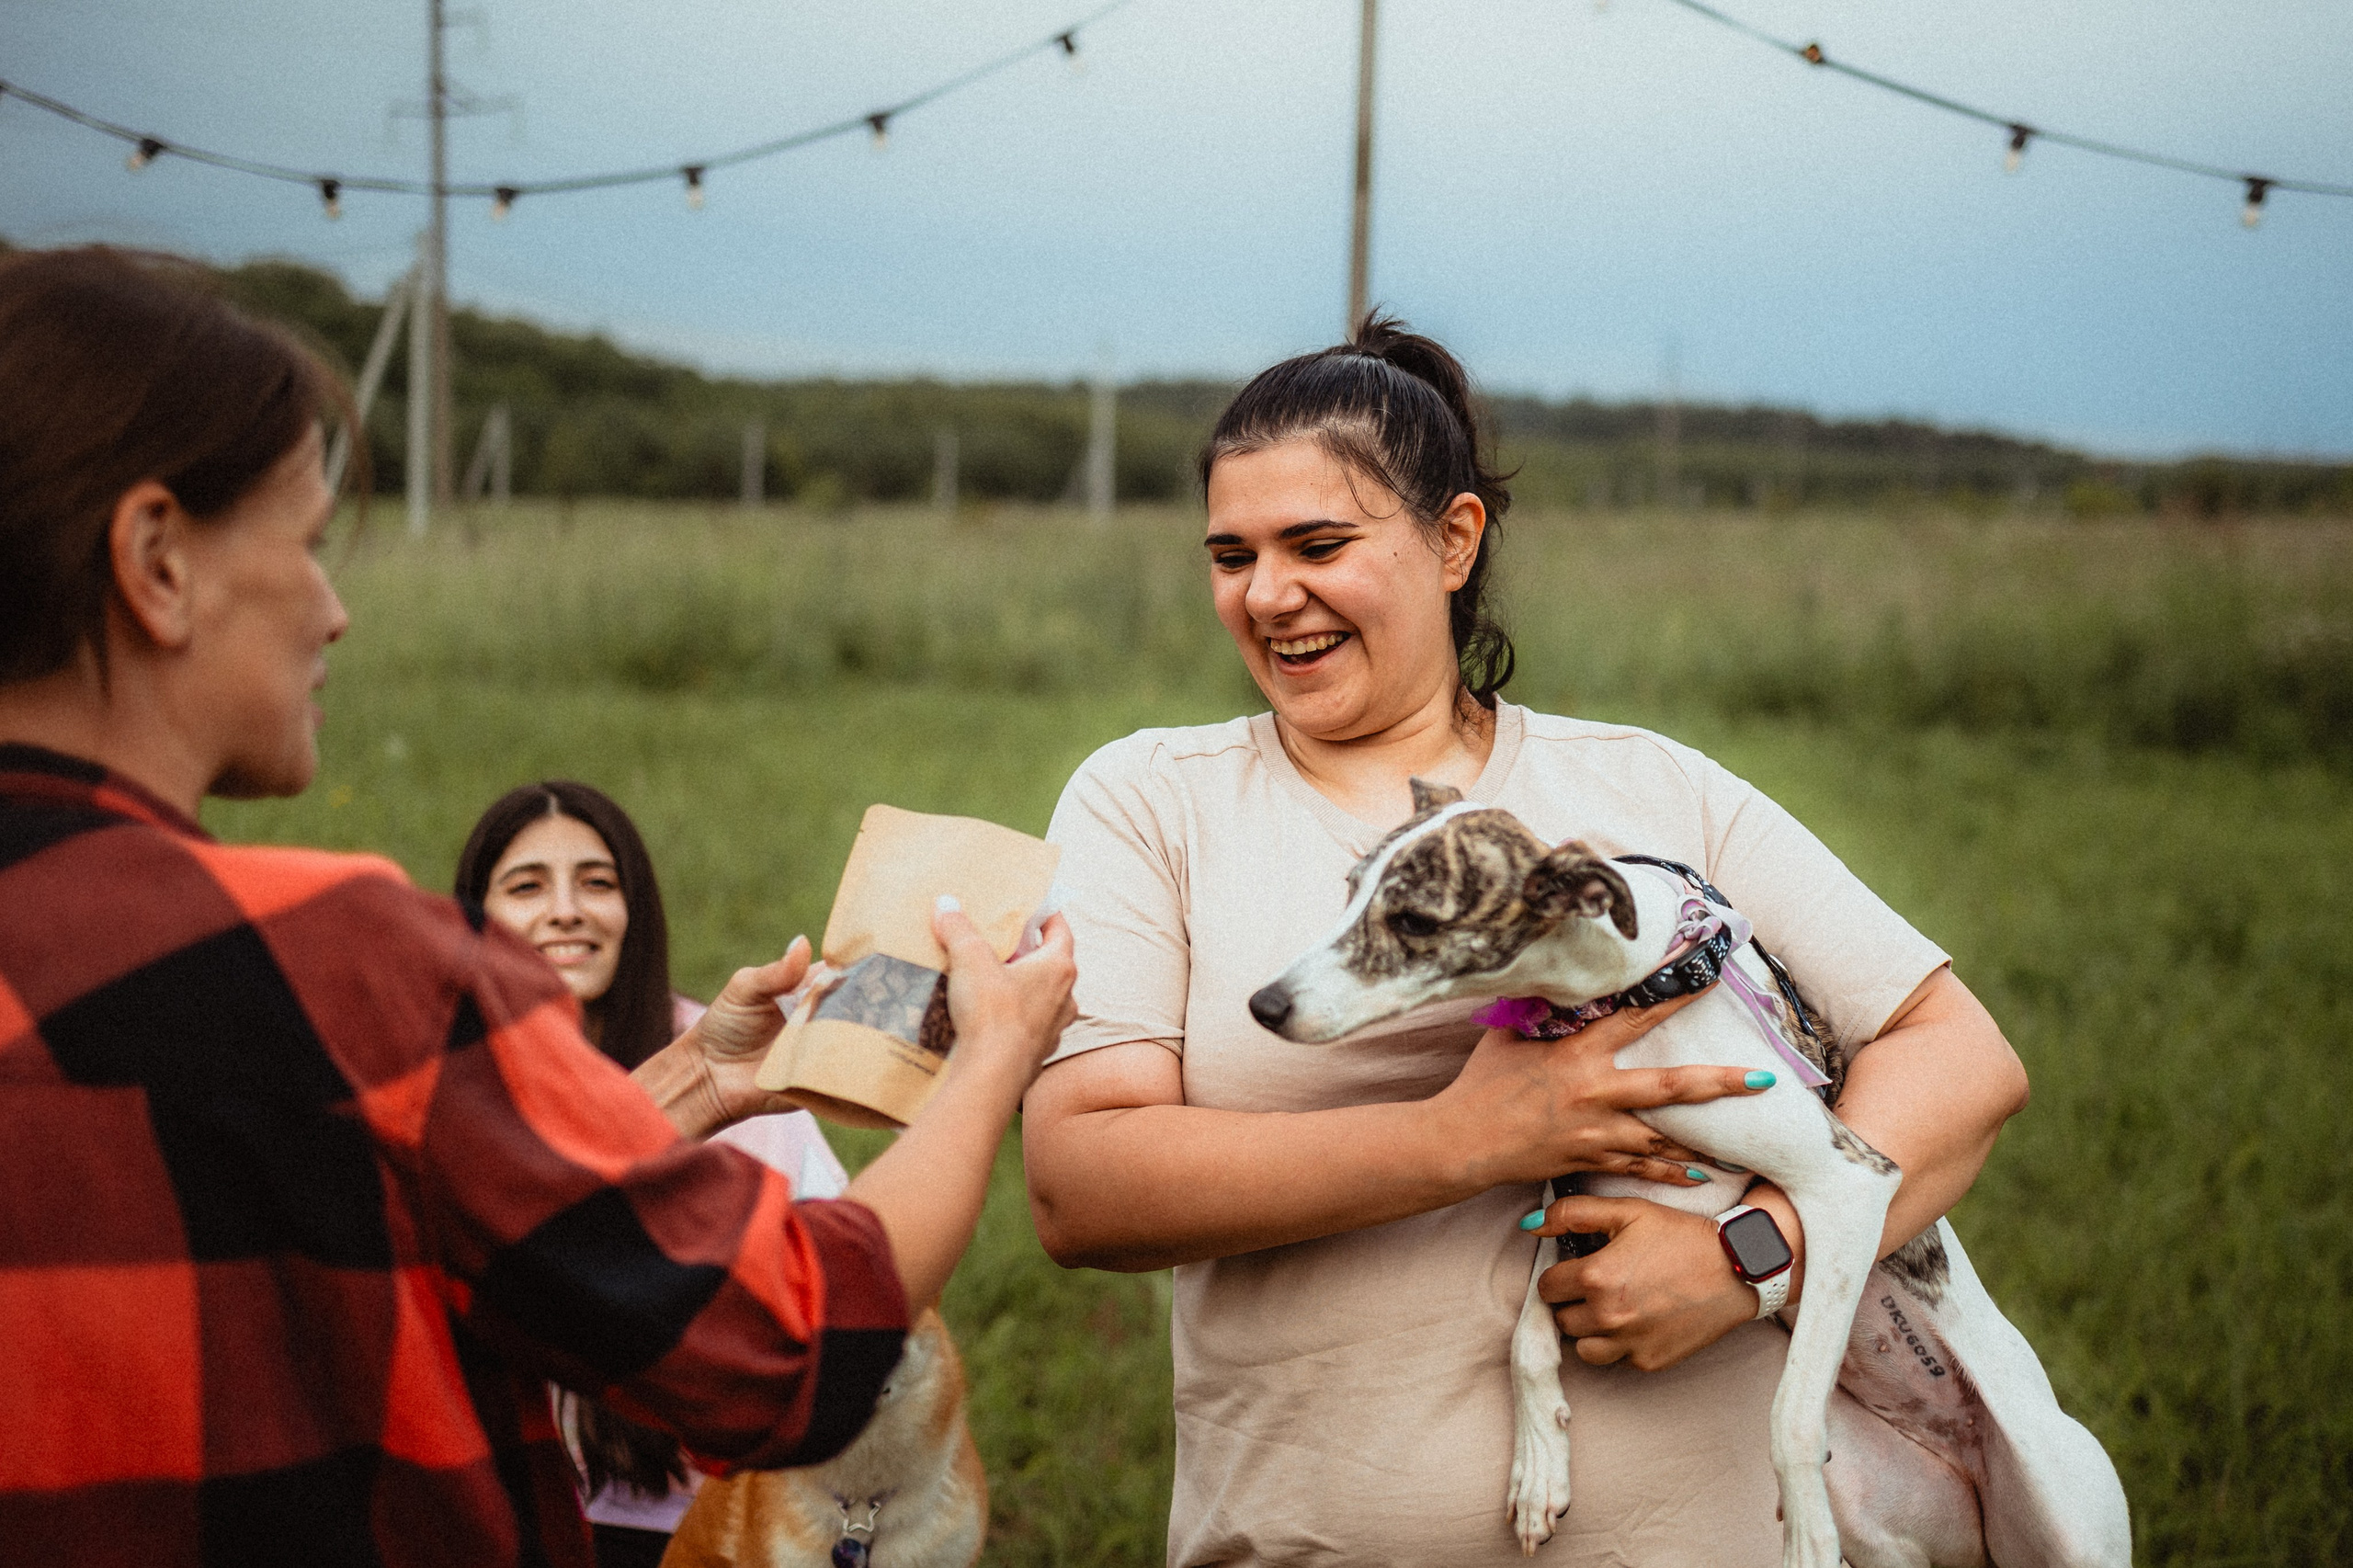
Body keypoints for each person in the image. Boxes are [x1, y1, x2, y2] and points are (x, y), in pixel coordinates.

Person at [0, 244, 1075, 1567]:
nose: (335, 612)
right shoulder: (348, 968)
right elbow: (783, 1340)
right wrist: (992, 1058)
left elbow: (437, 1207)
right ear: (156, 560)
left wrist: (701, 1078)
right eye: (308, 543)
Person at [1019, 315, 2031, 1566]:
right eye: (1233, 555)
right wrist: (1466, 1135)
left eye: (1318, 545)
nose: (1268, 593)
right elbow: (1081, 1183)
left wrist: (1748, 1256)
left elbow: (1961, 1058)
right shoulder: (1151, 801)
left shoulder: (1649, 791)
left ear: (1454, 540)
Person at [454, 780, 853, 1568]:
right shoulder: (443, 1079)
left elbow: (834, 1288)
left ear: (634, 909)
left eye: (596, 883)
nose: (565, 910)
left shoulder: (729, 1059)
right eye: (526, 886)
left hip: (714, 1515)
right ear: (473, 916)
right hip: (505, 1506)